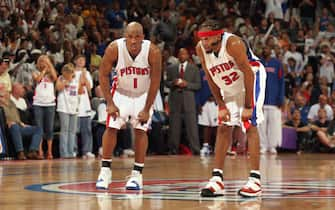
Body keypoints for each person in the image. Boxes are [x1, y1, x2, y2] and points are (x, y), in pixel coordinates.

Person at [195, 19, 266, 197]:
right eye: (201, 39)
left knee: (249, 123)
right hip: (228, 84)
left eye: (207, 39)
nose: (204, 43)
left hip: (250, 79)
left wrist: (249, 106)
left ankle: (255, 180)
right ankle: (217, 179)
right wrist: (220, 104)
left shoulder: (233, 44)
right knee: (223, 125)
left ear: (218, 36)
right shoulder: (201, 48)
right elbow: (210, 77)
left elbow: (248, 73)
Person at [96, 22, 161, 190]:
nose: (133, 40)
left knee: (141, 129)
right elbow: (103, 75)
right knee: (111, 126)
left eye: (137, 36)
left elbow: (155, 81)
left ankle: (137, 174)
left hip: (143, 94)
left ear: (143, 37)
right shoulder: (114, 48)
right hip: (121, 93)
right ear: (125, 37)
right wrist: (109, 103)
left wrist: (147, 108)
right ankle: (105, 171)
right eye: (130, 36)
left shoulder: (152, 51)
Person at [165, 48, 201, 155]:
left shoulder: (194, 68)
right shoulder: (171, 68)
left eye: (184, 54)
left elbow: (198, 85)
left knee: (192, 127)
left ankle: (195, 149)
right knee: (174, 127)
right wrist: (173, 83)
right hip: (175, 101)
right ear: (177, 56)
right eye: (180, 54)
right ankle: (173, 150)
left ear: (188, 56)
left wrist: (187, 84)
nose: (182, 56)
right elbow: (166, 83)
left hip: (189, 101)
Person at [258, 45, 285, 154]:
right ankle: (263, 145)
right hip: (261, 99)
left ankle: (272, 146)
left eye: (267, 48)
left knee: (274, 125)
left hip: (274, 100)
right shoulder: (259, 63)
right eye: (264, 48)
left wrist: (281, 98)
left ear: (271, 50)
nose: (265, 49)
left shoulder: (277, 63)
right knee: (261, 125)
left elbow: (281, 81)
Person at [32, 55, 57, 159]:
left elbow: (55, 78)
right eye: (41, 61)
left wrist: (49, 66)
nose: (43, 63)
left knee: (49, 128)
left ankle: (50, 151)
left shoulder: (51, 74)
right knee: (39, 128)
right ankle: (40, 151)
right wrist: (44, 70)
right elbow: (38, 80)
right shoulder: (35, 72)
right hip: (38, 103)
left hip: (50, 104)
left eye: (45, 61)